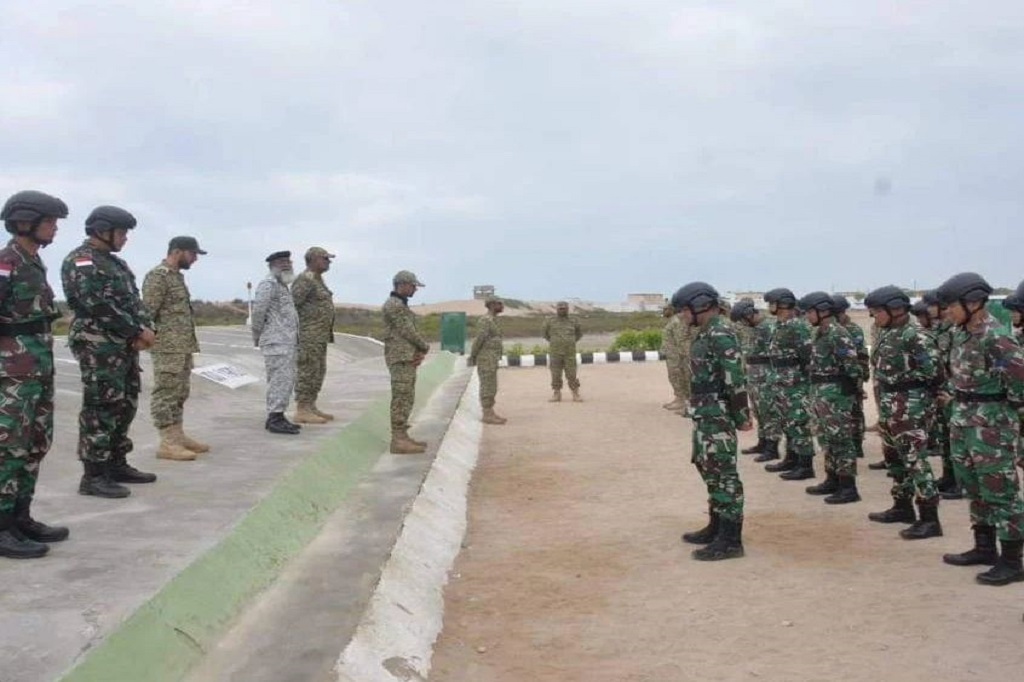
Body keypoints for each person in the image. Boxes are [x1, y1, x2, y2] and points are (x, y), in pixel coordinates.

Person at [62, 205, 157, 499]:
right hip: (97, 344)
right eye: (122, 232)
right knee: (102, 405)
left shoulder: (117, 265)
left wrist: (147, 328)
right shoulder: (81, 261)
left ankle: (116, 462)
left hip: (122, 345)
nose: (125, 238)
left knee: (125, 403)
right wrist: (134, 331)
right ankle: (94, 474)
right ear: (103, 231)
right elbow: (95, 305)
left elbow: (134, 302)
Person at [936, 273, 1024, 585]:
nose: (946, 311)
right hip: (963, 420)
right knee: (973, 486)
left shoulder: (996, 337)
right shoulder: (960, 334)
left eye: (951, 305)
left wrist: (1000, 413)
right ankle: (984, 547)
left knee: (1000, 491)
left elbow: (1019, 383)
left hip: (991, 426)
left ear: (973, 302)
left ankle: (1013, 560)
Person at [0, 190, 70, 558]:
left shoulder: (33, 261)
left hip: (37, 367)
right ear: (25, 222)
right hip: (12, 372)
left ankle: (20, 516)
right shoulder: (6, 262)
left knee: (36, 443)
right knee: (8, 447)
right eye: (50, 222)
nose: (55, 228)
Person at [672, 281, 751, 561]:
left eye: (683, 310)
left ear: (700, 305)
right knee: (707, 466)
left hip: (717, 411)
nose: (681, 316)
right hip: (705, 411)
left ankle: (731, 540)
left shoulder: (721, 332)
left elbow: (735, 377)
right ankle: (717, 526)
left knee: (723, 472)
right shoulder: (705, 332)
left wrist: (742, 415)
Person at [864, 286, 943, 539]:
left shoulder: (916, 335)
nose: (874, 316)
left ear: (895, 309)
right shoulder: (890, 334)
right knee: (895, 458)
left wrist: (917, 401)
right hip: (891, 403)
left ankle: (930, 519)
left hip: (910, 405)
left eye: (877, 311)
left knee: (915, 460)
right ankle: (902, 506)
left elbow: (934, 374)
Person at [142, 236, 208, 461]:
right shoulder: (158, 277)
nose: (195, 259)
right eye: (193, 254)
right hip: (167, 348)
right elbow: (147, 312)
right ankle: (167, 442)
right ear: (177, 252)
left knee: (180, 392)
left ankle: (178, 435)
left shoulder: (176, 278)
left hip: (182, 346)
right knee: (166, 393)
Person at [797, 291, 863, 503]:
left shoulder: (837, 333)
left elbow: (852, 367)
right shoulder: (821, 332)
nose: (807, 316)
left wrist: (849, 393)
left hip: (836, 394)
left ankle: (848, 486)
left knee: (841, 439)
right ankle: (832, 479)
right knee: (827, 438)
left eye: (809, 312)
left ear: (823, 311)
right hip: (821, 392)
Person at [762, 287, 815, 479]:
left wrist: (802, 383)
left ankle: (805, 464)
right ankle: (791, 459)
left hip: (795, 384)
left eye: (772, 303)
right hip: (781, 382)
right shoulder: (780, 325)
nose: (770, 307)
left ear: (782, 303)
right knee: (787, 422)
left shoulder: (797, 326)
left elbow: (808, 356)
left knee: (799, 423)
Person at [251, 251, 301, 435]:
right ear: (272, 265)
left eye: (288, 261)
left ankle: (278, 415)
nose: (287, 265)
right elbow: (258, 312)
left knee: (286, 380)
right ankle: (275, 418)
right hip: (276, 342)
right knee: (279, 380)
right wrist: (258, 335)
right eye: (282, 262)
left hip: (286, 342)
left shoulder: (282, 286)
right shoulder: (268, 284)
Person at [921, 289, 963, 499]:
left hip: (952, 389)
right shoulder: (939, 328)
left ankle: (959, 481)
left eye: (931, 305)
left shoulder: (953, 329)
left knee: (954, 437)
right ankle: (948, 475)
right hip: (941, 388)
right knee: (945, 436)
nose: (928, 309)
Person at [383, 270, 430, 454]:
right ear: (401, 284)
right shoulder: (394, 305)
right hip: (400, 357)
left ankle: (402, 435)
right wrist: (424, 346)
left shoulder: (401, 305)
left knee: (407, 396)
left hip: (407, 357)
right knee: (401, 397)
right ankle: (398, 439)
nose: (415, 290)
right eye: (413, 286)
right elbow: (407, 331)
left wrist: (417, 351)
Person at [291, 246, 336, 424]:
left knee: (318, 371)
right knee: (308, 371)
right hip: (308, 336)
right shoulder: (305, 279)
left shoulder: (318, 280)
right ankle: (302, 409)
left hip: (320, 336)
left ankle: (311, 405)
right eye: (325, 258)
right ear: (313, 259)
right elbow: (292, 305)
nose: (328, 262)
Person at [731, 299, 780, 460]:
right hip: (754, 376)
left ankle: (772, 446)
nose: (742, 324)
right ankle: (763, 442)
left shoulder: (769, 327)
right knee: (759, 411)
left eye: (742, 320)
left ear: (748, 315)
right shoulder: (755, 328)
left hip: (765, 376)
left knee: (768, 411)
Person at [833, 295, 869, 459]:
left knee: (855, 411)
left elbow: (861, 355)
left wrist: (862, 376)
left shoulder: (853, 329)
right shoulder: (830, 329)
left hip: (852, 374)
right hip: (836, 376)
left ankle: (857, 443)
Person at [468, 296, 508, 424]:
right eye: (500, 304)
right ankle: (487, 414)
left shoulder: (493, 320)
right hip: (486, 358)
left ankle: (490, 411)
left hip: (492, 358)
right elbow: (479, 339)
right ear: (491, 305)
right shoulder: (485, 321)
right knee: (487, 385)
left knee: (492, 385)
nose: (502, 306)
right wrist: (473, 356)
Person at [543, 300, 583, 403]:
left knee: (572, 374)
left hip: (569, 353)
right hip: (555, 353)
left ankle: (575, 393)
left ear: (568, 309)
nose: (562, 310)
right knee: (555, 374)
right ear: (556, 309)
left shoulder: (574, 321)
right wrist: (555, 341)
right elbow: (545, 334)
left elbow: (579, 334)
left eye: (564, 308)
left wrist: (569, 342)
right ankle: (556, 394)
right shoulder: (550, 321)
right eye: (560, 308)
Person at [660, 302, 689, 412]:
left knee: (679, 377)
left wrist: (683, 355)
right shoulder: (673, 320)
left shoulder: (677, 321)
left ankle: (682, 400)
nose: (664, 311)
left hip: (677, 356)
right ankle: (679, 398)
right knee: (674, 377)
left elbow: (680, 339)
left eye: (666, 309)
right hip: (672, 355)